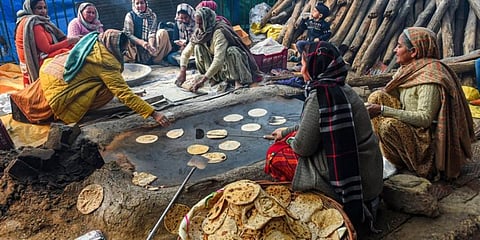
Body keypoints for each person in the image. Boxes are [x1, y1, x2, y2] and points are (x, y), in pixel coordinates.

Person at [266, 41, 383, 229]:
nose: (301, 69)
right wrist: (287, 131)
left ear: (314, 66)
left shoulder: (321, 94)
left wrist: (290, 139)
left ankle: (321, 199)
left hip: (352, 182)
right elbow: (315, 125)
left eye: (303, 64)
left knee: (275, 154)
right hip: (370, 176)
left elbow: (303, 147)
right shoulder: (341, 88)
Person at [366, 27, 475, 180]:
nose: (395, 50)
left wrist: (383, 110)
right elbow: (391, 95)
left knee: (387, 126)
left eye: (399, 46)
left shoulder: (431, 77)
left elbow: (424, 119)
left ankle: (407, 163)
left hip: (425, 140)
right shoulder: (409, 69)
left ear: (414, 52)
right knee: (376, 96)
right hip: (411, 126)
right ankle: (390, 156)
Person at [9, 29, 171, 127]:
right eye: (122, 50)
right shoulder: (106, 62)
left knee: (105, 84)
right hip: (59, 87)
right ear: (114, 47)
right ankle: (55, 109)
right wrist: (154, 114)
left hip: (51, 71)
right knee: (109, 89)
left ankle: (22, 101)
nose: (123, 53)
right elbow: (124, 94)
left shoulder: (94, 40)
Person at [175, 7, 261, 92]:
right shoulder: (199, 33)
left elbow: (218, 59)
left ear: (208, 22)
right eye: (197, 23)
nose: (198, 27)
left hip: (227, 64)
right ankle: (212, 77)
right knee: (198, 47)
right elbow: (187, 52)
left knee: (232, 51)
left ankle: (237, 81)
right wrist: (183, 71)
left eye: (201, 23)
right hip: (216, 67)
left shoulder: (219, 32)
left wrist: (203, 80)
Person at [15, 0, 80, 87]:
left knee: (73, 47)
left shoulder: (41, 22)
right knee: (71, 53)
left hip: (42, 55)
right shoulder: (34, 23)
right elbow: (46, 49)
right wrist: (70, 41)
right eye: (39, 8)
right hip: (36, 60)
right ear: (31, 9)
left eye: (45, 8)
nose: (43, 11)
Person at [123, 0, 171, 64]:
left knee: (163, 32)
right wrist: (142, 43)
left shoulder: (152, 16)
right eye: (137, 3)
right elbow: (128, 34)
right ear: (134, 4)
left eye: (142, 3)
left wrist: (150, 46)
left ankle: (156, 60)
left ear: (146, 3)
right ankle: (132, 61)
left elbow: (152, 32)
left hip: (147, 45)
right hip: (135, 47)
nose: (140, 5)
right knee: (125, 38)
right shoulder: (130, 15)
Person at [291, 2, 331, 70]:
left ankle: (304, 63)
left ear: (320, 15)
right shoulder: (310, 21)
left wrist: (319, 38)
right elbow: (302, 28)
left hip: (318, 45)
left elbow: (328, 34)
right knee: (299, 44)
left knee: (304, 47)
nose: (312, 12)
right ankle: (302, 60)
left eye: (315, 11)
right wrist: (303, 20)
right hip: (309, 42)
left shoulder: (324, 25)